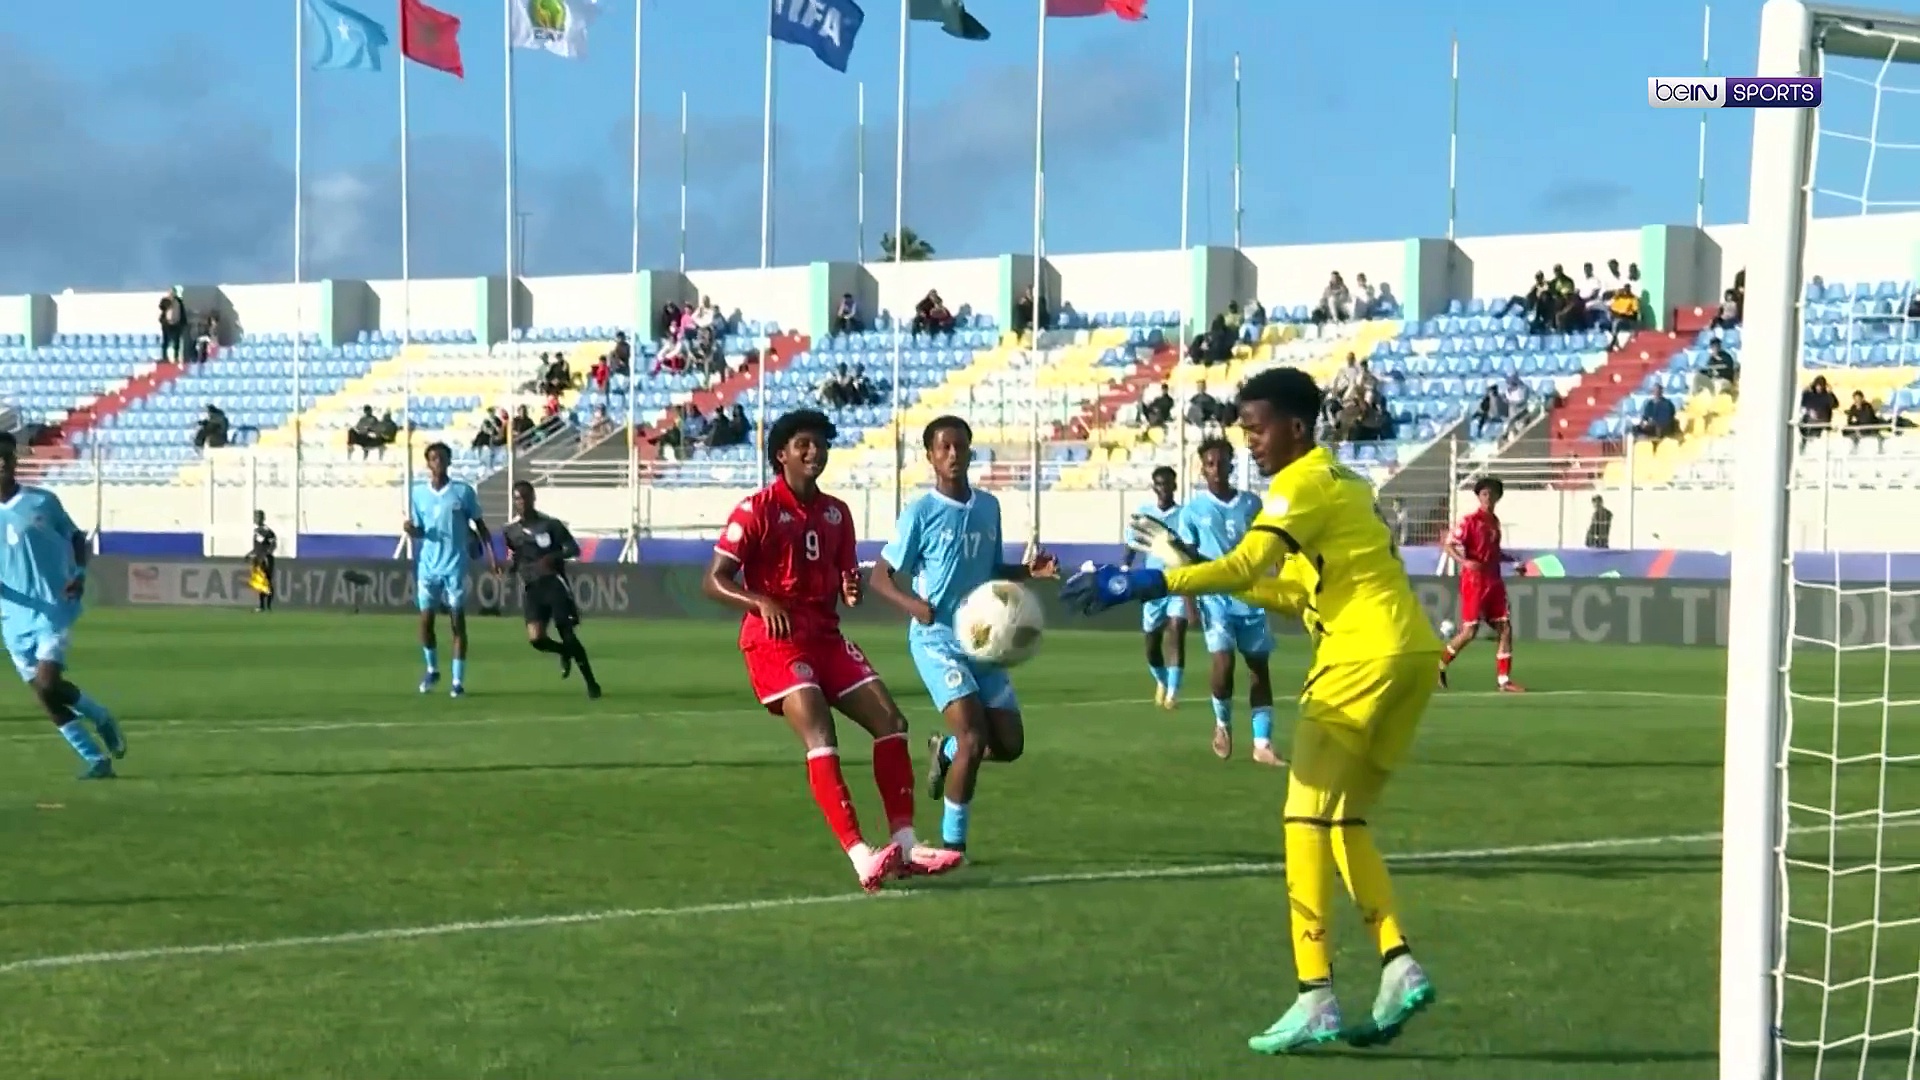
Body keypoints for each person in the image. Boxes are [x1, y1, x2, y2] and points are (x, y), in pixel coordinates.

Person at [1061, 366, 1441, 1055]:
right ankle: (1396, 963)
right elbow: (1286, 589)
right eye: (1244, 430)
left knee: (1301, 819)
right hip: (1413, 657)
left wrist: (1151, 577)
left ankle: (1314, 993)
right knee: (1344, 818)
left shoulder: (1297, 485)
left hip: (1356, 658)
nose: (1250, 442)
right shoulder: (1345, 485)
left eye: (1257, 428)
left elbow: (1241, 572)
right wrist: (1190, 556)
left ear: (1297, 427)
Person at [704, 409, 963, 891]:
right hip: (775, 640)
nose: (814, 451)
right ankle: (862, 855)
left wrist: (849, 589)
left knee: (892, 721)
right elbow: (714, 579)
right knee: (820, 731)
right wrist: (759, 600)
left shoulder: (836, 512)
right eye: (803, 444)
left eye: (820, 443)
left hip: (825, 635)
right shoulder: (754, 508)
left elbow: (846, 580)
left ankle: (904, 845)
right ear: (781, 454)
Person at [867, 416, 1057, 859]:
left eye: (961, 447)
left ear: (972, 453)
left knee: (1009, 745)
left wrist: (1031, 572)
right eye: (944, 447)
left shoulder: (988, 507)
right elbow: (880, 577)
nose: (953, 455)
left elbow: (990, 571)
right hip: (937, 641)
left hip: (983, 642)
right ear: (931, 455)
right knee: (975, 738)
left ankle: (944, 749)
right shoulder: (920, 512)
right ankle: (954, 847)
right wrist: (914, 606)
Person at [0, 432, 126, 779]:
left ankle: (100, 717)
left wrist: (80, 573)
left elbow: (75, 536)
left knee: (48, 684)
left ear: (14, 461)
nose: (1, 463)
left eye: (6, 457)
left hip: (52, 608)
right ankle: (96, 761)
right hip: (11, 616)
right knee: (44, 697)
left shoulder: (41, 501)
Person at [1181, 438, 1282, 767]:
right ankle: (1223, 724)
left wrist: (1279, 581)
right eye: (1210, 464)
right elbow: (1185, 560)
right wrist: (1189, 602)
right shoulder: (1193, 511)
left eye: (1222, 463)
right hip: (1215, 600)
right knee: (1223, 664)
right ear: (1203, 468)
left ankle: (1262, 744)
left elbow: (1270, 545)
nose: (1217, 470)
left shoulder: (1252, 504)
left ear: (1231, 466)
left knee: (1258, 669)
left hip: (1252, 597)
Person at [403, 443, 496, 698]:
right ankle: (432, 668)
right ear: (428, 463)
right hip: (428, 566)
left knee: (457, 624)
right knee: (425, 623)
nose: (438, 462)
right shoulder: (418, 494)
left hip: (454, 565)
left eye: (442, 458)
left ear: (449, 461)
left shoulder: (462, 492)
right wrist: (413, 531)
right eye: (433, 458)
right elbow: (422, 530)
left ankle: (457, 681)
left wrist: (492, 557)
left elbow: (481, 526)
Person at [503, 481, 601, 700]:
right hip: (532, 588)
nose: (522, 502)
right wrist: (509, 568)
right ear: (514, 501)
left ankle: (591, 683)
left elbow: (573, 548)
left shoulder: (550, 525)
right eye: (518, 498)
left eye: (526, 497)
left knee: (567, 632)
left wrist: (553, 557)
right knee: (536, 639)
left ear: (533, 498)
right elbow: (516, 556)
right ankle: (564, 653)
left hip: (554, 583)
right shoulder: (511, 531)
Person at [1439, 477, 1527, 692]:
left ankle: (1504, 681)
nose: (1488, 498)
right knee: (1470, 632)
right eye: (1484, 494)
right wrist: (1464, 561)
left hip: (1494, 581)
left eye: (1492, 494)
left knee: (1505, 628)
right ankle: (1439, 664)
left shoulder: (1494, 522)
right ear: (1479, 497)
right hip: (1474, 581)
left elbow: (1494, 553)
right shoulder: (1469, 521)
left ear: (1498, 497)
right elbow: (1449, 545)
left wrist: (1513, 562)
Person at [1121, 465, 1189, 708]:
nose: (1164, 489)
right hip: (1152, 583)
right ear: (1154, 487)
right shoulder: (1144, 514)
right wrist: (1125, 570)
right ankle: (1162, 680)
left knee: (1176, 632)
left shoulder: (1184, 515)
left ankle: (1172, 694)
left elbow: (1190, 546)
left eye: (1168, 484)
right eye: (1159, 484)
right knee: (1151, 644)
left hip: (1178, 582)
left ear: (1174, 486)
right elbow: (1132, 543)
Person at [249, 509, 277, 613]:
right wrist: (251, 553)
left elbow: (273, 545)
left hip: (266, 559)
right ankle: (261, 606)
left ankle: (268, 606)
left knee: (267, 582)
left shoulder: (267, 531)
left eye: (258, 517)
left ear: (263, 518)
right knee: (261, 582)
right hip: (258, 559)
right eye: (255, 517)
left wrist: (267, 554)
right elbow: (258, 547)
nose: (256, 519)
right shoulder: (256, 531)